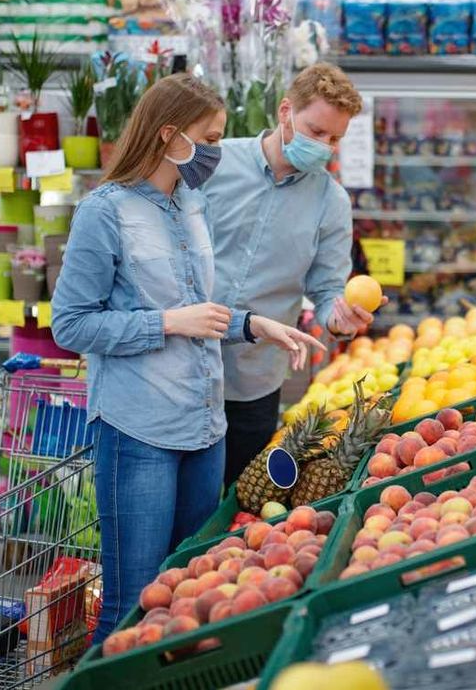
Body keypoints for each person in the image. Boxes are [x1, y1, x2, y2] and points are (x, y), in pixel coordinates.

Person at [50, 73, 325, 642]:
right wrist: (167, 324)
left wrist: (254, 324)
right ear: (169, 134)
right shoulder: (105, 211)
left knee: (185, 590)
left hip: (205, 428)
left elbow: (198, 306)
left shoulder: (189, 204)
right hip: (139, 430)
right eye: (212, 137)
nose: (218, 153)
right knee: (132, 600)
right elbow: (71, 323)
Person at [204, 63, 385, 486]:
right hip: (183, 367)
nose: (325, 146)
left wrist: (339, 320)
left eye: (335, 138)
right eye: (316, 131)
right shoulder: (214, 163)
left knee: (235, 508)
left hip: (254, 381)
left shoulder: (331, 202)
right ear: (286, 112)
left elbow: (326, 291)